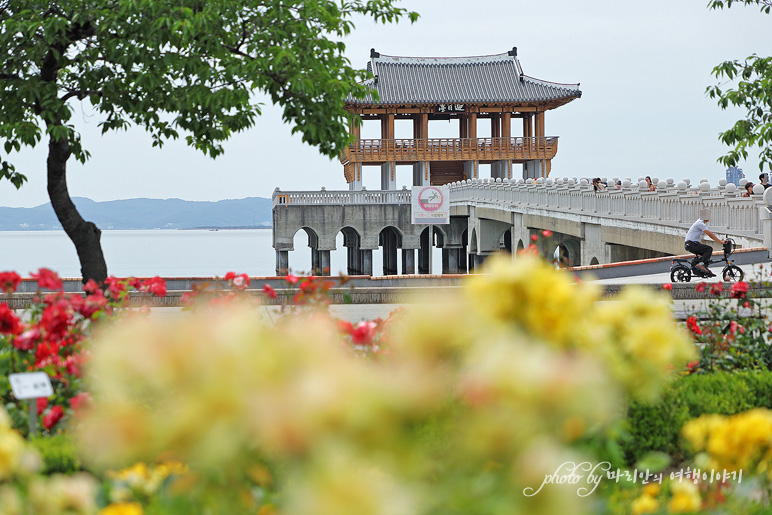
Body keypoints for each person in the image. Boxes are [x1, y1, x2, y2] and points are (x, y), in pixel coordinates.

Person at [684, 209, 726, 277]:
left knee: (705, 256)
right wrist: (720, 242)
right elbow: (710, 234)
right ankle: (701, 265)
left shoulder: (699, 222)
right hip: (691, 244)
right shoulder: (700, 223)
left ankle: (705, 270)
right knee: (708, 249)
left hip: (691, 244)